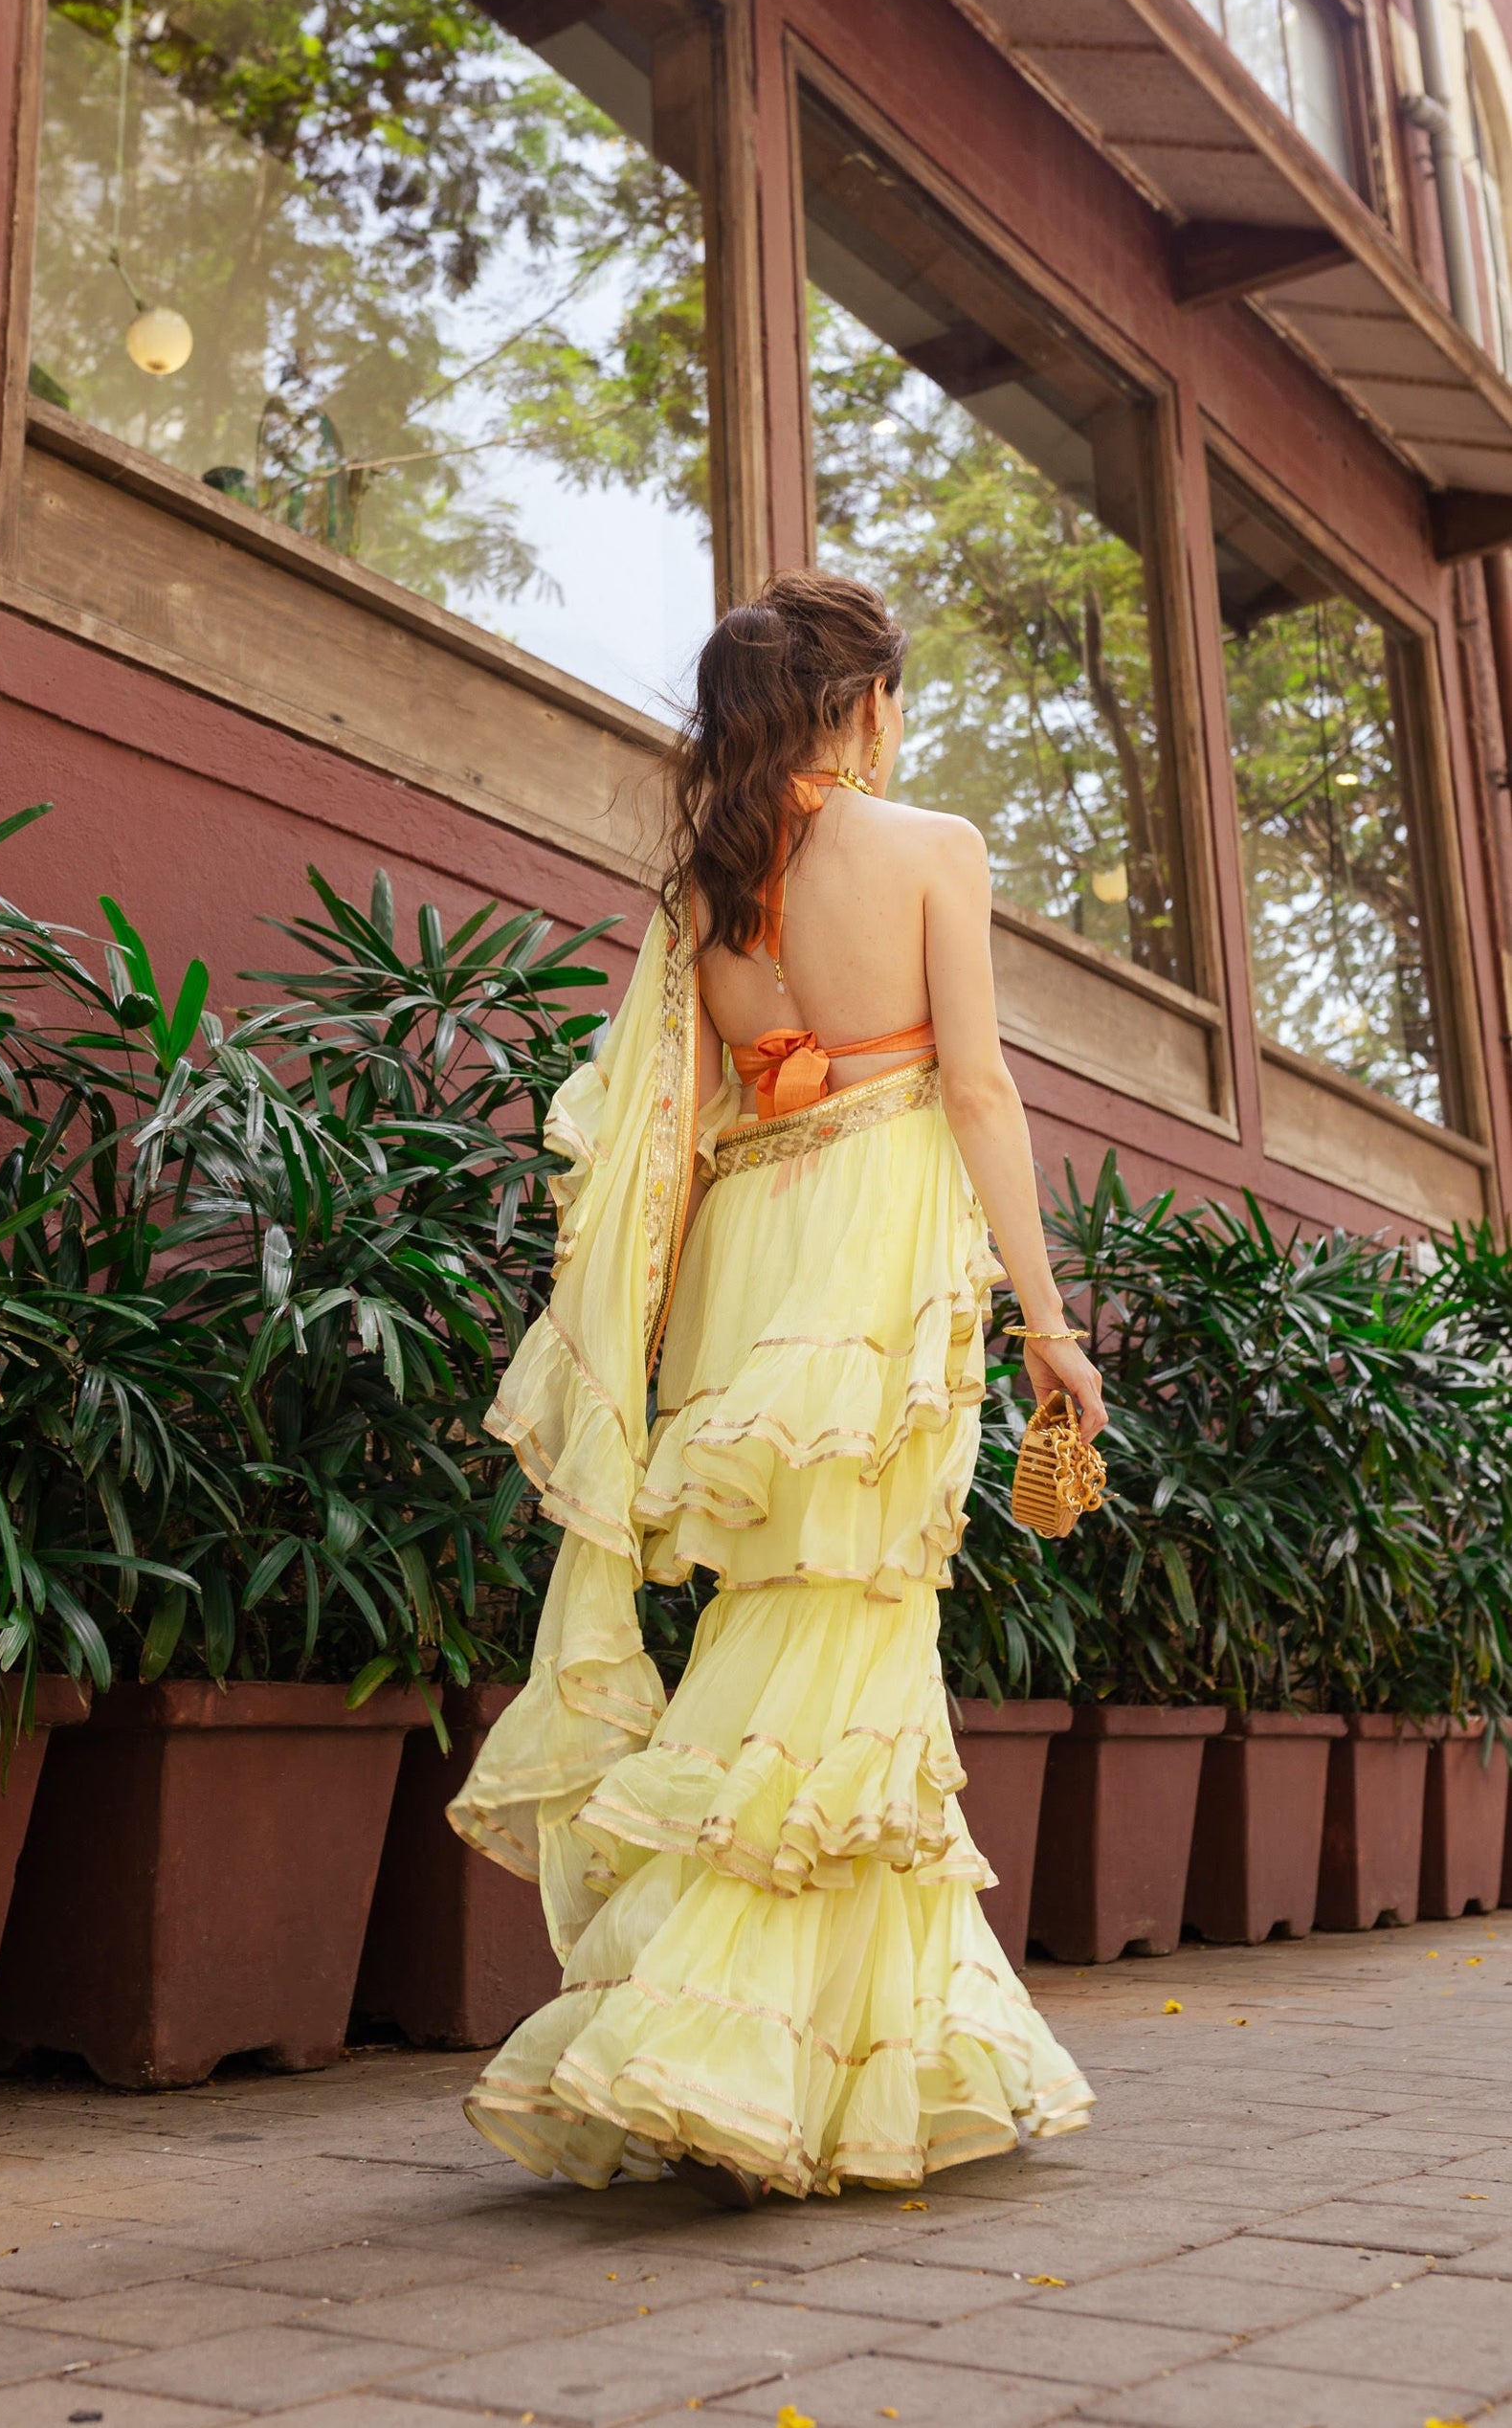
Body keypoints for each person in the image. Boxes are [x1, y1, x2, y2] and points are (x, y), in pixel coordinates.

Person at [448, 573, 1105, 2203]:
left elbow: (679, 1133)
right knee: (850, 1610)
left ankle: (838, 2052)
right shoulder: (929, 848)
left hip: (756, 1248)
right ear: (862, 700)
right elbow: (976, 1086)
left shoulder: (706, 887)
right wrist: (1046, 1317)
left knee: (794, 1614)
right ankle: (703, 2048)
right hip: (876, 1237)